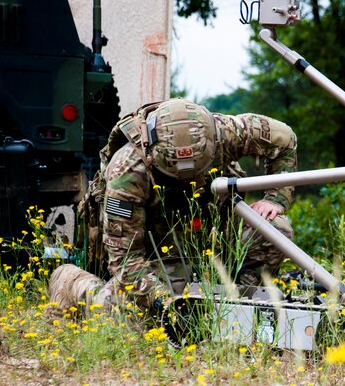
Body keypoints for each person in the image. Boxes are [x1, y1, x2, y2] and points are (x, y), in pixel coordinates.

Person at [50, 98, 298, 317]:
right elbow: (127, 261)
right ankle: (72, 281)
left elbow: (285, 139)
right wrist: (166, 305)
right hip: (153, 257)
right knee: (118, 317)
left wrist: (275, 199)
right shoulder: (127, 172)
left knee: (276, 231)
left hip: (210, 243)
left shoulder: (227, 132)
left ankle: (238, 301)